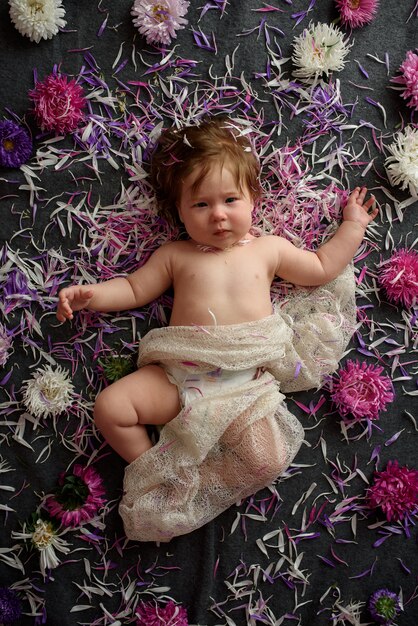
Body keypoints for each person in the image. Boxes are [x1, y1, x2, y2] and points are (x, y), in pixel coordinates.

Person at [56, 117, 378, 541]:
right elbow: (134, 288)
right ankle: (160, 469)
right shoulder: (175, 255)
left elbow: (320, 267)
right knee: (111, 408)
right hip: (178, 377)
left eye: (230, 199)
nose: (219, 216)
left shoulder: (269, 249)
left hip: (242, 387)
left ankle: (203, 481)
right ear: (179, 211)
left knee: (268, 458)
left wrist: (352, 225)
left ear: (253, 198)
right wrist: (92, 295)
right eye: (201, 205)